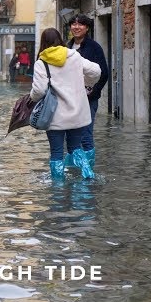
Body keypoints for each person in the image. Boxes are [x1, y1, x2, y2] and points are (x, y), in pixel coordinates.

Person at [30, 28, 101, 180]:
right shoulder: (74, 56)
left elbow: (39, 90)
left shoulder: (41, 63)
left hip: (55, 116)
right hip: (77, 114)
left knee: (56, 152)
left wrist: (31, 98)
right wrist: (87, 85)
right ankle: (88, 173)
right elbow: (96, 71)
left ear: (43, 43)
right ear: (60, 40)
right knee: (75, 147)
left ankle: (58, 188)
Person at [65, 14, 109, 169]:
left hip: (89, 98)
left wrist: (94, 93)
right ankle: (74, 167)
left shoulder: (94, 47)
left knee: (85, 134)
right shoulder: (67, 47)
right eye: (73, 24)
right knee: (70, 134)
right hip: (70, 99)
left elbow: (104, 73)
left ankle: (88, 170)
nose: (76, 27)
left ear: (87, 28)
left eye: (80, 24)